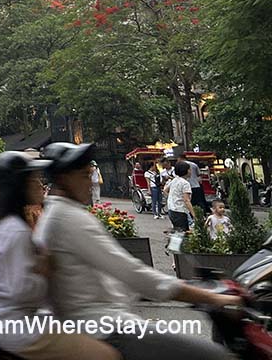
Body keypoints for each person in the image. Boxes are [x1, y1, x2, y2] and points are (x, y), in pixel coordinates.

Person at [35, 141, 240, 360]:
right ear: (65, 179)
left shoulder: (57, 214)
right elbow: (132, 272)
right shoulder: (69, 219)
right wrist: (209, 297)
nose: (91, 183)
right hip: (105, 327)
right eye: (85, 176)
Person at [0, 152, 119, 360]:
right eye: (34, 179)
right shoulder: (15, 230)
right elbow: (21, 291)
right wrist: (45, 270)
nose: (40, 185)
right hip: (11, 325)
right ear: (20, 186)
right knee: (105, 355)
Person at [164, 162, 193, 232]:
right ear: (185, 171)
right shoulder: (185, 183)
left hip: (171, 209)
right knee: (183, 233)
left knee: (178, 232)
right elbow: (186, 200)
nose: (191, 171)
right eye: (189, 169)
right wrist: (194, 214)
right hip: (180, 211)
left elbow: (165, 190)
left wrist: (172, 198)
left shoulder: (175, 180)